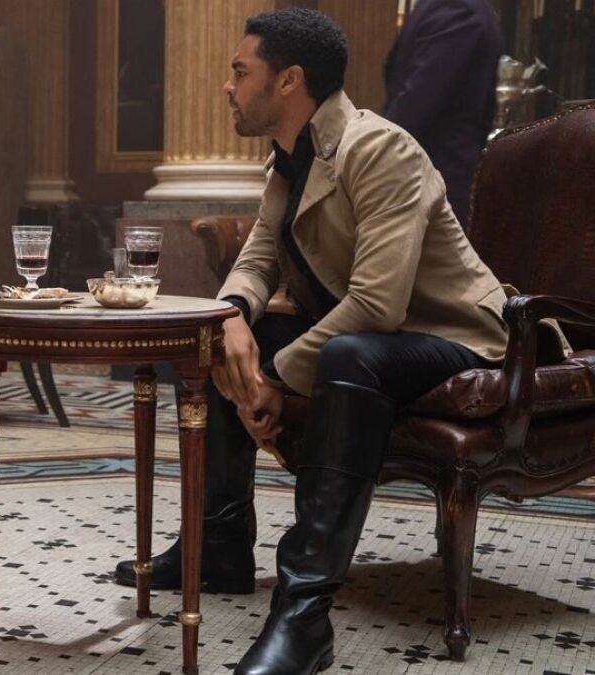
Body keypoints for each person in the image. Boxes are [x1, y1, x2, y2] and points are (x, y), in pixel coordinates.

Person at [114, 9, 516, 674]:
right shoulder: (288, 160)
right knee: (215, 339)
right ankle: (218, 543)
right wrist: (229, 318)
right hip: (375, 332)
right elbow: (256, 260)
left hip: (456, 333)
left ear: (289, 80)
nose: (227, 86)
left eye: (241, 72)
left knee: (347, 355)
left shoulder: (381, 150)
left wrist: (273, 378)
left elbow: (378, 306)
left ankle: (303, 616)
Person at [383, 0, 503, 227]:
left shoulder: (459, 10)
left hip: (432, 180)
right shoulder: (450, 7)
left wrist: (371, 158)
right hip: (423, 176)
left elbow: (417, 103)